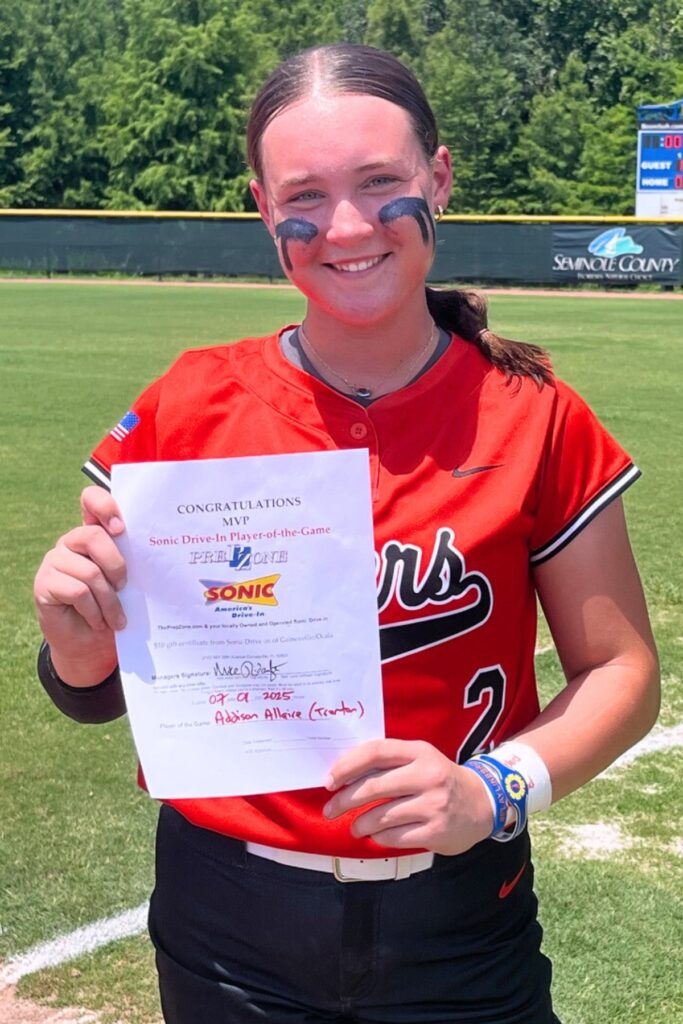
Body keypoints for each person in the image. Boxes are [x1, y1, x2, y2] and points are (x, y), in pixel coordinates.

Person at [33, 43, 660, 1024]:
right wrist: (75, 644)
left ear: (438, 179)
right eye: (306, 196)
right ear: (260, 209)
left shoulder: (533, 414)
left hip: (460, 917)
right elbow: (100, 685)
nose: (348, 226)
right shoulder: (185, 403)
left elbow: (619, 673)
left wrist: (490, 791)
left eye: (379, 183)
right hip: (223, 918)